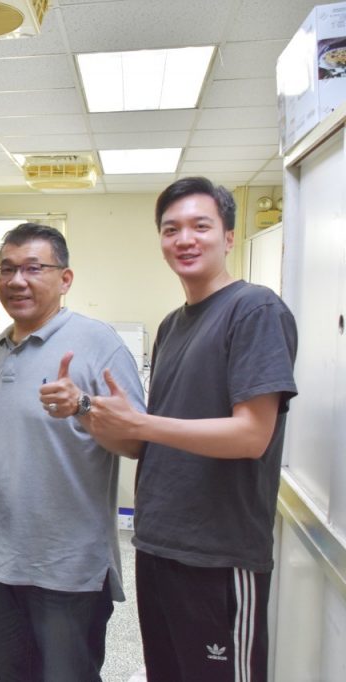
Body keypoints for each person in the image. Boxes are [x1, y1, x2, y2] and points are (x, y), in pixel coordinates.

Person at [87, 177, 298, 682]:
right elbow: (149, 442)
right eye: (171, 229)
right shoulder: (172, 325)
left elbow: (252, 436)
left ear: (229, 237)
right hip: (159, 545)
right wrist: (91, 416)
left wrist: (142, 422)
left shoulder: (255, 309)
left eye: (200, 226)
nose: (184, 239)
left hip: (219, 553)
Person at [0, 223, 146, 682]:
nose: (17, 280)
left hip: (67, 567)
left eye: (33, 268)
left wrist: (84, 407)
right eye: (7, 269)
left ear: (65, 279)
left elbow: (137, 442)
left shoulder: (99, 343)